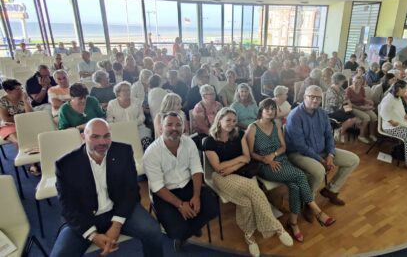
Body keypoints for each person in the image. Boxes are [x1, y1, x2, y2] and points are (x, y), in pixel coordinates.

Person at [51, 119, 164, 257]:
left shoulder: (123, 152)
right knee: (60, 255)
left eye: (106, 136)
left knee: (153, 231)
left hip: (119, 210)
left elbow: (131, 191)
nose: (102, 142)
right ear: (83, 137)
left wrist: (116, 225)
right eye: (95, 136)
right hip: (85, 217)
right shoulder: (66, 164)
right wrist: (93, 235)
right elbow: (67, 206)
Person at [202, 108, 293, 256]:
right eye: (228, 120)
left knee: (246, 202)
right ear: (219, 120)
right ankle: (277, 228)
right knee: (254, 191)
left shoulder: (239, 134)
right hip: (222, 177)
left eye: (234, 121)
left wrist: (234, 166)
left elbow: (247, 157)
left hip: (241, 172)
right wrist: (239, 160)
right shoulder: (209, 141)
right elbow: (218, 167)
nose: (231, 124)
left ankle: (249, 236)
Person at [246, 99, 335, 243]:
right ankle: (317, 211)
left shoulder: (277, 124)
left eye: (273, 108)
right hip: (265, 165)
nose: (270, 111)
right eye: (267, 108)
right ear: (261, 110)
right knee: (300, 175)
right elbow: (250, 153)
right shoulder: (253, 127)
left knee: (294, 186)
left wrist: (274, 155)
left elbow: (283, 147)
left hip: (282, 161)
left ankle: (293, 223)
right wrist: (265, 159)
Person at [142, 112, 218, 251]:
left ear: (183, 127)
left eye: (178, 125)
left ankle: (189, 227)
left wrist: (196, 196)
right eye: (169, 125)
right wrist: (181, 205)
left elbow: (196, 170)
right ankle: (187, 230)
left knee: (213, 208)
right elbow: (158, 187)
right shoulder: (151, 153)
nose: (174, 128)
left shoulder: (188, 142)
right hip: (166, 192)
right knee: (175, 231)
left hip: (187, 185)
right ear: (161, 128)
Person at [286, 85, 360, 212]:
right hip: (298, 154)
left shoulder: (322, 113)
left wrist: (330, 154)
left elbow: (328, 135)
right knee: (319, 170)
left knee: (353, 160)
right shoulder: (295, 116)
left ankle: (331, 190)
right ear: (304, 97)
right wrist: (321, 160)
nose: (315, 101)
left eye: (318, 98)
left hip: (322, 150)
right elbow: (300, 145)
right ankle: (309, 202)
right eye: (311, 97)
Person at [107, 82, 153, 149]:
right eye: (124, 90)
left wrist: (133, 124)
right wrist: (118, 127)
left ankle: (146, 158)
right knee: (119, 147)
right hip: (119, 129)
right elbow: (109, 119)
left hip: (137, 128)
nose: (127, 92)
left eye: (128, 90)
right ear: (118, 92)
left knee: (146, 142)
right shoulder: (112, 103)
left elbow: (142, 117)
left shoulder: (137, 101)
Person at [324, 73, 361, 144]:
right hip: (331, 111)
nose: (344, 82)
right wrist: (345, 104)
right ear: (338, 81)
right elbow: (334, 104)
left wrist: (348, 103)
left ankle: (340, 131)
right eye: (343, 81)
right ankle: (340, 132)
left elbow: (346, 98)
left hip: (341, 109)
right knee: (352, 119)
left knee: (354, 118)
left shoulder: (340, 88)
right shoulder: (330, 90)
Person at [346, 75, 377, 143]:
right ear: (352, 81)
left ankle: (372, 134)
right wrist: (360, 108)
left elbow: (363, 99)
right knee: (366, 117)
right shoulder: (349, 89)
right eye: (355, 82)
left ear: (361, 82)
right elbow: (348, 104)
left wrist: (368, 101)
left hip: (362, 106)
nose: (357, 84)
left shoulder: (362, 88)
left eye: (359, 82)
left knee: (374, 116)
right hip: (353, 107)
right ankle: (361, 136)